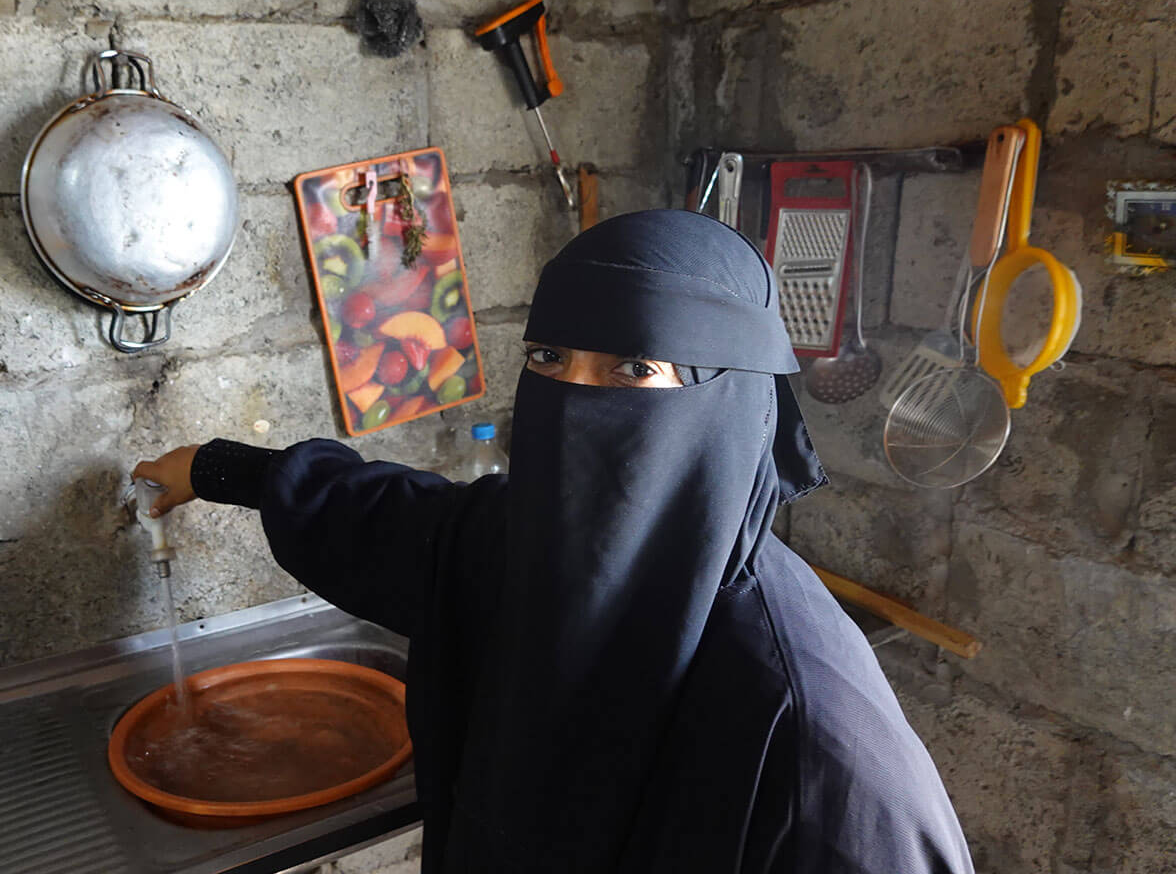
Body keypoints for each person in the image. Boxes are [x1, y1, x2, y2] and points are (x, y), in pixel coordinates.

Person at [133, 210, 974, 873]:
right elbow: (377, 514)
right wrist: (210, 468)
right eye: (550, 356)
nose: (574, 401)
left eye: (633, 370)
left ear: (730, 406)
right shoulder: (514, 544)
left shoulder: (812, 743)